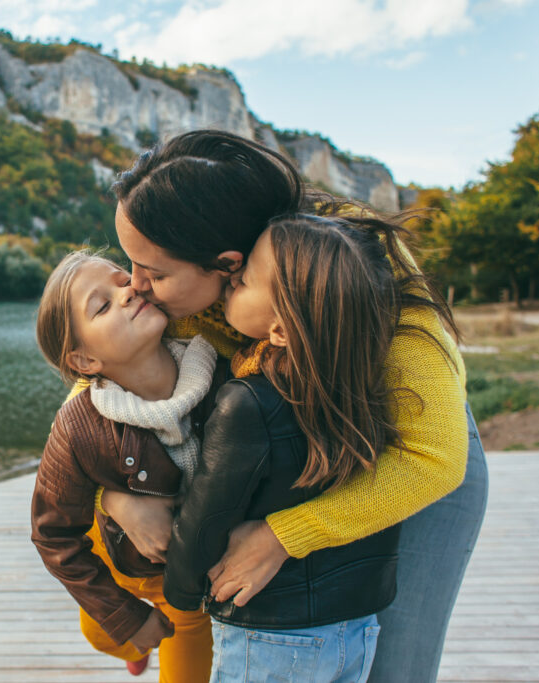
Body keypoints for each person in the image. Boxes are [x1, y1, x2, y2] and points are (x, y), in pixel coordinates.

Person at [100, 129, 489, 683]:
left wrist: (287, 535)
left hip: (408, 460)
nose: (135, 288)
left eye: (153, 273)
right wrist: (115, 492)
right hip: (286, 451)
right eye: (130, 262)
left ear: (229, 267)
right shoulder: (186, 283)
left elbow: (435, 458)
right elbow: (95, 386)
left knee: (394, 667)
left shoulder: (362, 267)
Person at [165, 213, 425, 682]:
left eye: (242, 282)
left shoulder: (246, 403)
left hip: (269, 630)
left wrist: (181, 593)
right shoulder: (373, 398)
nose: (229, 286)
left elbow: (206, 515)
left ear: (281, 331)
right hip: (357, 624)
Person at [30, 250, 218, 683]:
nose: (128, 291)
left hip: (184, 587)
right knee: (103, 633)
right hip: (114, 564)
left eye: (122, 280)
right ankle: (132, 644)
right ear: (85, 361)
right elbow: (52, 532)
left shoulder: (219, 372)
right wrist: (127, 618)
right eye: (102, 305)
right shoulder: (79, 425)